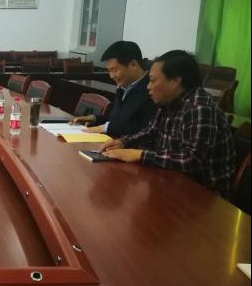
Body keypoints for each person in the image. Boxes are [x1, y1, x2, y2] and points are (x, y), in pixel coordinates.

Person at [99, 50, 234, 197]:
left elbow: (192, 160)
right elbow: (150, 132)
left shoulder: (200, 108)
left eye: (152, 80)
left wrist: (140, 155)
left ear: (175, 81)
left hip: (203, 195)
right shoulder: (168, 102)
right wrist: (123, 142)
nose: (148, 86)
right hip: (170, 181)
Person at [70, 40, 156, 136]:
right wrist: (94, 119)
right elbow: (114, 120)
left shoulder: (151, 90)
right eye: (109, 71)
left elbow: (141, 129)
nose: (111, 76)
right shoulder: (123, 87)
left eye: (114, 70)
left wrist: (105, 128)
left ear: (133, 65)